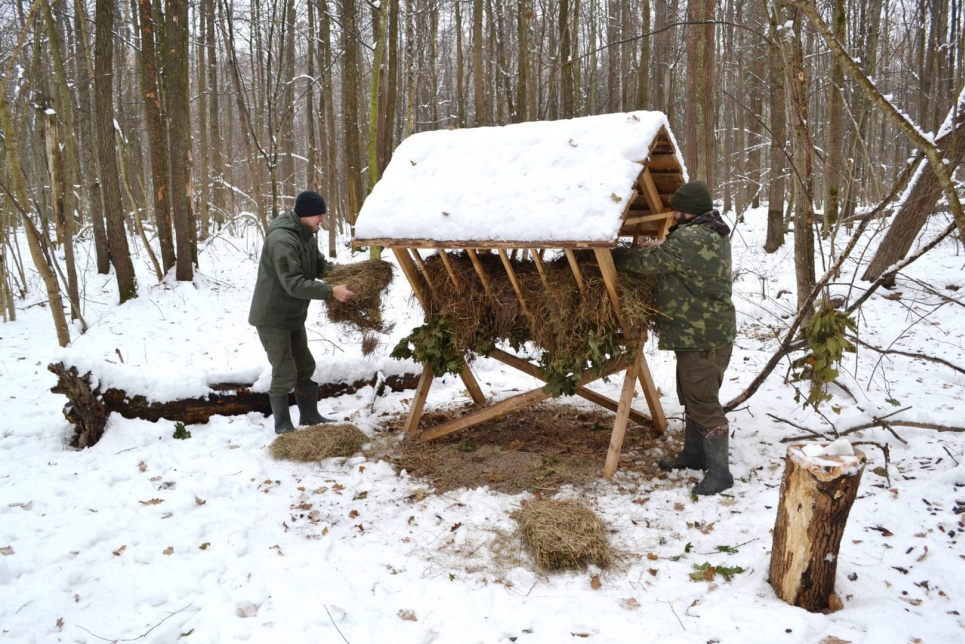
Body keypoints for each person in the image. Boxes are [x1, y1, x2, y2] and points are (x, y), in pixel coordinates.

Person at [612, 179, 737, 495]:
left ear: (689, 211)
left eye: (678, 209)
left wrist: (612, 256)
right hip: (701, 332)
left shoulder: (692, 237)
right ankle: (694, 455)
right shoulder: (709, 229)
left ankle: (720, 473)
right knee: (693, 396)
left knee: (704, 402)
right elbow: (673, 255)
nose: (674, 213)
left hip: (702, 336)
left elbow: (648, 263)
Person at [248, 190, 355, 434]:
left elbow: (320, 266)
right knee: (284, 371)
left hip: (293, 315)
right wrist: (331, 292)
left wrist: (347, 276)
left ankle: (309, 416)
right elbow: (293, 283)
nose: (322, 220)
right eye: (319, 215)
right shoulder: (283, 240)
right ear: (305, 214)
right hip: (272, 317)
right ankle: (283, 425)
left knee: (304, 366)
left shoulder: (306, 235)